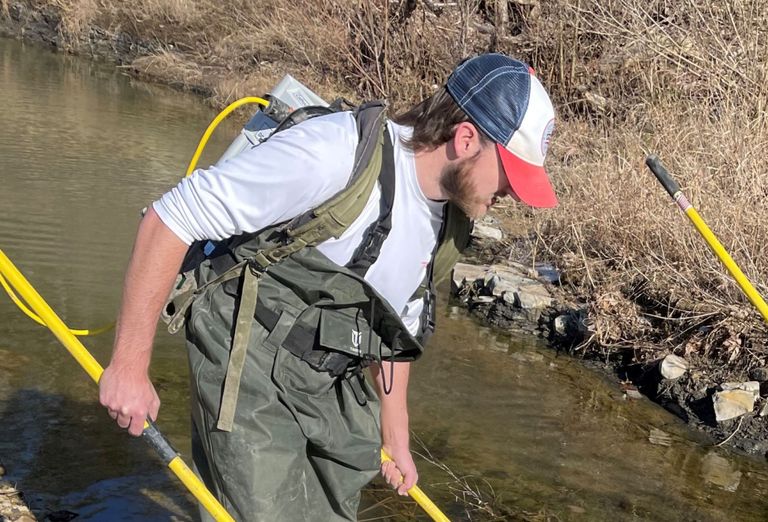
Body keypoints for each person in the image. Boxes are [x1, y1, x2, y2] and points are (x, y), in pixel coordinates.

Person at [98, 52, 557, 521]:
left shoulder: (453, 223)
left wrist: (395, 431)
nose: (515, 195)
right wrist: (129, 367)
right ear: (465, 138)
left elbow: (395, 325)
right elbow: (171, 218)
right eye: (511, 176)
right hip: (249, 351)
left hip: (331, 375)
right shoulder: (333, 155)